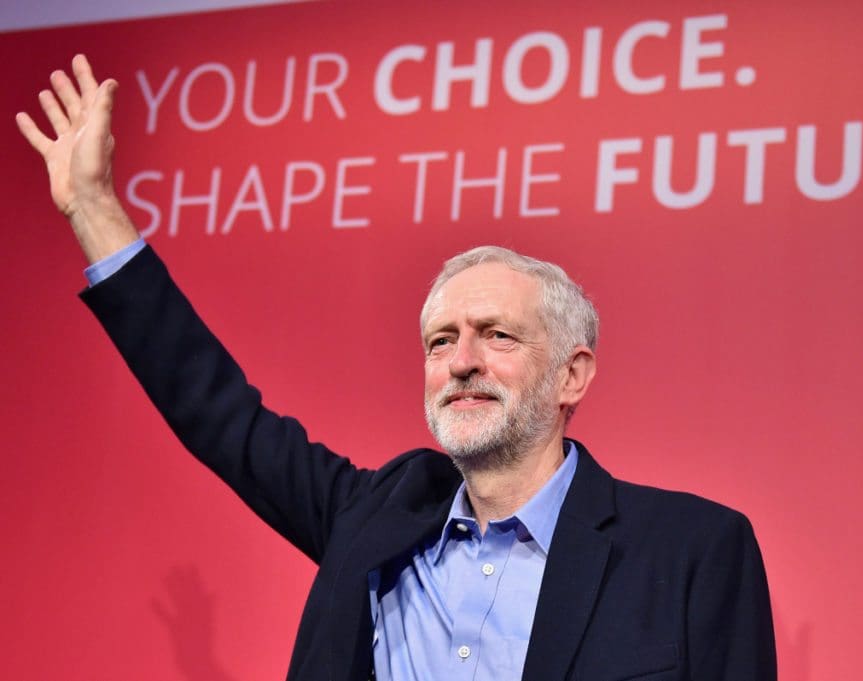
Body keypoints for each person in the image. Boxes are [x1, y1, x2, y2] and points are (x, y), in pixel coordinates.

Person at [17, 55, 777, 681]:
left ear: (573, 375)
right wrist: (92, 207)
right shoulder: (375, 515)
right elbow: (219, 413)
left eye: (495, 335)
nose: (462, 361)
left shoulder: (693, 550)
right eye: (440, 341)